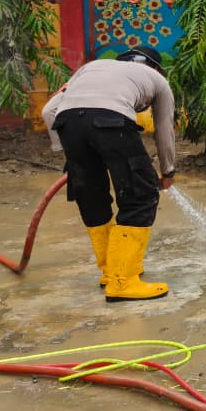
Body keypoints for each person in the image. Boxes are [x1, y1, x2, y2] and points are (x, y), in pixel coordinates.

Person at [41, 46, 176, 302]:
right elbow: (164, 128)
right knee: (141, 195)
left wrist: (66, 151)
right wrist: (167, 170)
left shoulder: (89, 68)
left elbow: (48, 112)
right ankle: (123, 281)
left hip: (68, 124)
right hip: (112, 121)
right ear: (155, 68)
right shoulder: (159, 80)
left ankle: (110, 271)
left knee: (92, 197)